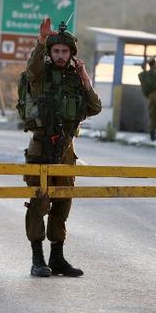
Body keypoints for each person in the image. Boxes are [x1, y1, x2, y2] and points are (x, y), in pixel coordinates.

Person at [22, 17, 102, 277]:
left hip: (66, 148)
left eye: (64, 51)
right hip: (41, 146)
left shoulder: (74, 78)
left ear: (71, 53)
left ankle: (57, 257)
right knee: (39, 202)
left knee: (63, 202)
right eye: (55, 51)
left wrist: (85, 77)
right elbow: (32, 68)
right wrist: (41, 41)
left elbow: (94, 107)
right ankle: (38, 259)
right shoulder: (39, 74)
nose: (59, 55)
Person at [137, 57, 156, 141]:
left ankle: (152, 133)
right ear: (155, 64)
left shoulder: (145, 74)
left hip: (150, 96)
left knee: (153, 115)